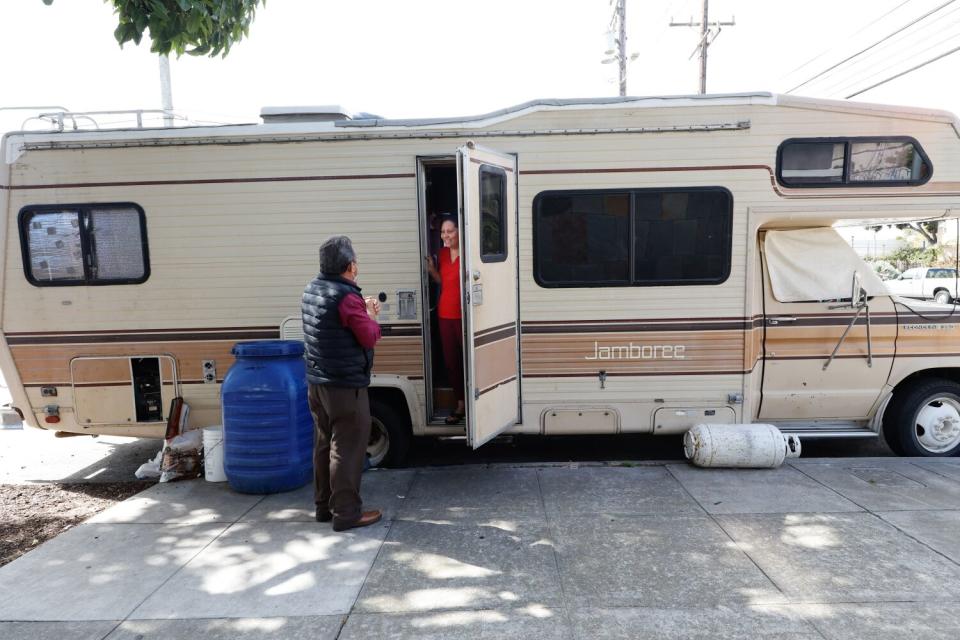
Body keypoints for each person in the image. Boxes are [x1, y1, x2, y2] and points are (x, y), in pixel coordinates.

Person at [302, 235, 382, 531]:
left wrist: (359, 307)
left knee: (324, 444)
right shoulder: (347, 298)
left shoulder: (312, 289)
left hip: (317, 384)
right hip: (345, 387)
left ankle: (324, 507)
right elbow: (369, 336)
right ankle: (347, 514)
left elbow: (333, 321)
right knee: (346, 449)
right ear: (350, 266)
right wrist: (371, 315)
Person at [425, 216, 466, 424]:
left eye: (449, 231)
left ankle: (476, 402)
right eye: (443, 232)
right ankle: (460, 404)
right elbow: (444, 281)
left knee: (469, 360)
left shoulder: (469, 253)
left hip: (464, 316)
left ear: (459, 231)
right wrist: (432, 271)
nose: (445, 236)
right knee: (452, 362)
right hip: (444, 314)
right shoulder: (441, 254)